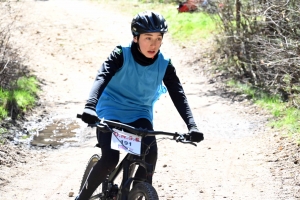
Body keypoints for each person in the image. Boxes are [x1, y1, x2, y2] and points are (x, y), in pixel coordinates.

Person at [76, 10, 204, 200]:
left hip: (139, 114)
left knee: (150, 155)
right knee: (110, 158)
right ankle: (82, 198)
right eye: (148, 38)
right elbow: (102, 77)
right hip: (110, 110)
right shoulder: (121, 53)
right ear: (136, 38)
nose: (154, 44)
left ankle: (137, 192)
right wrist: (90, 107)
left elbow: (179, 94)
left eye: (158, 38)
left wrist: (192, 125)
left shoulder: (164, 64)